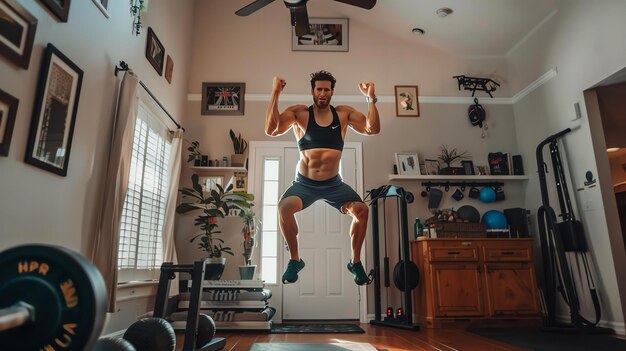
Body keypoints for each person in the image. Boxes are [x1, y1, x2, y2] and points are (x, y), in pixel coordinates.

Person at [265, 70, 380, 285]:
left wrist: (370, 98)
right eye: (319, 89)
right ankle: (295, 260)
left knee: (362, 210)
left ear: (332, 92)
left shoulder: (343, 115)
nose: (323, 93)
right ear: (313, 91)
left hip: (333, 184)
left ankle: (355, 262)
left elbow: (372, 129)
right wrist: (275, 92)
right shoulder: (300, 114)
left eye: (327, 89)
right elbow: (271, 130)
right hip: (305, 184)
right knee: (284, 208)